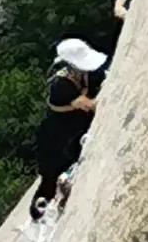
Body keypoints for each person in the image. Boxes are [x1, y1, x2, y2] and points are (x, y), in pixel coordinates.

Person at [30, 38, 106, 217]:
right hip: (54, 143)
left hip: (71, 135)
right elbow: (89, 104)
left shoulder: (81, 75)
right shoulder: (60, 85)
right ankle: (38, 216)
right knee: (49, 182)